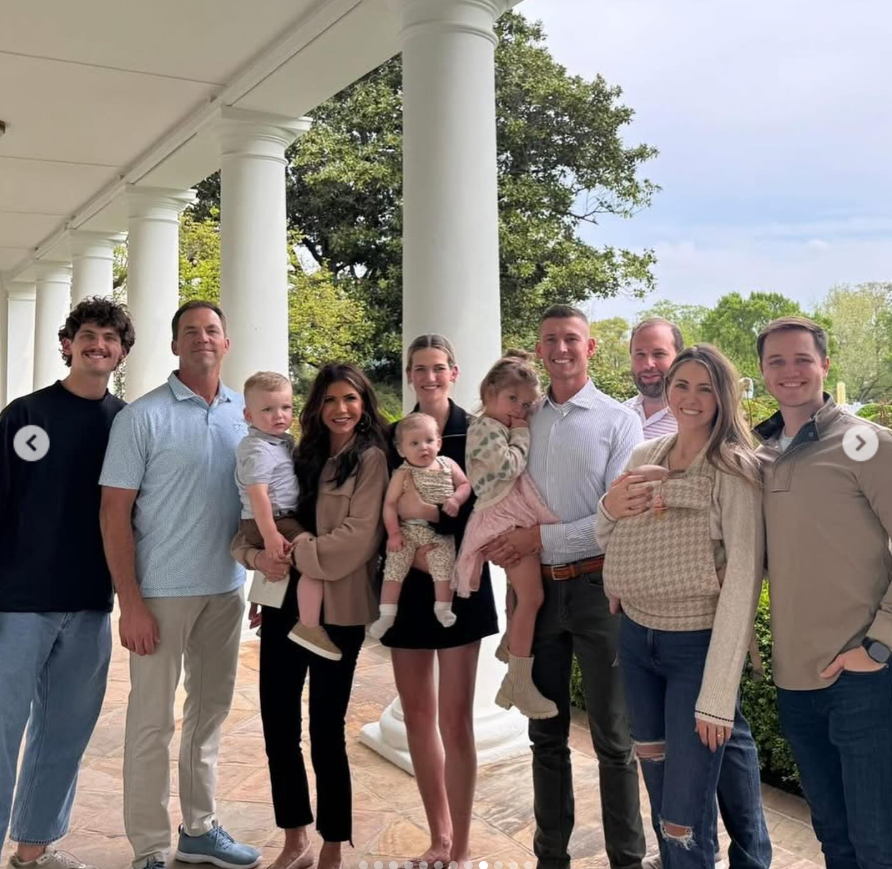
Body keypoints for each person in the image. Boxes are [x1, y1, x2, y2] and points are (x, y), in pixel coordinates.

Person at [484, 305, 647, 869]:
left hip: (600, 589)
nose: (561, 349)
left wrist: (535, 541)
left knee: (613, 740)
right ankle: (550, 857)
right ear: (539, 347)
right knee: (545, 735)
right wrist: (514, 562)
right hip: (537, 596)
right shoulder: (521, 418)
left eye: (571, 339)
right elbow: (502, 493)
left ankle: (627, 859)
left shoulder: (618, 421)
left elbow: (617, 514)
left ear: (591, 347)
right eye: (550, 339)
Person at [99, 300, 259, 869]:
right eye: (190, 331)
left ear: (227, 341)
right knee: (150, 722)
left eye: (212, 329)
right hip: (161, 594)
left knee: (208, 716)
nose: (202, 339)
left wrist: (259, 581)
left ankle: (200, 829)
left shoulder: (248, 412)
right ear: (174, 346)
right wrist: (131, 603)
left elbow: (258, 502)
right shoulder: (140, 418)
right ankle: (148, 847)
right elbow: (113, 514)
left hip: (227, 586)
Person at [599, 344, 764, 868]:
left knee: (682, 811)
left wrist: (717, 692)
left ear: (724, 396)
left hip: (696, 643)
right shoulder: (643, 456)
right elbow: (609, 534)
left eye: (705, 387)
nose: (690, 398)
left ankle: (694, 858)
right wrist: (608, 507)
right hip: (636, 634)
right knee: (659, 773)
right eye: (681, 385)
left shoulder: (734, 470)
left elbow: (741, 577)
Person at [231, 362, 389, 869]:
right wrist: (258, 561)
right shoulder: (299, 455)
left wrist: (291, 548)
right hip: (282, 603)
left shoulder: (371, 461)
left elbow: (355, 543)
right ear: (317, 407)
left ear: (363, 403)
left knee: (325, 727)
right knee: (278, 724)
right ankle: (294, 837)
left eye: (350, 398)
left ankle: (332, 844)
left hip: (338, 611)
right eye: (330, 400)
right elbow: (252, 529)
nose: (341, 409)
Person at [0, 298, 134, 869]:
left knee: (65, 732)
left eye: (109, 337)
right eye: (87, 334)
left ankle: (33, 849)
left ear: (122, 352)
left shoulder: (128, 423)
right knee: (2, 731)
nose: (97, 344)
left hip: (88, 602)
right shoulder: (25, 414)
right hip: (19, 602)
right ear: (67, 344)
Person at [754, 316, 892, 869]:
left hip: (863, 677)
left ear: (825, 365)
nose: (791, 372)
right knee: (834, 841)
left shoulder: (862, 442)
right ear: (762, 372)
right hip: (795, 682)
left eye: (803, 359)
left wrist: (878, 645)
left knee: (877, 845)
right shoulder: (757, 454)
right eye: (777, 361)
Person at [377, 334, 499, 868]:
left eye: (438, 368)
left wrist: (442, 558)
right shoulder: (392, 438)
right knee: (419, 715)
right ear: (409, 375)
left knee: (456, 720)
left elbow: (486, 510)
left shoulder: (477, 434)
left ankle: (464, 848)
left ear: (454, 371)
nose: (429, 377)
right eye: (419, 369)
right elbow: (384, 514)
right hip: (406, 588)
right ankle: (439, 838)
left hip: (462, 585)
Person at [453, 351, 558, 720]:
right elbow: (509, 466)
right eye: (512, 399)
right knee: (532, 596)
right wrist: (522, 432)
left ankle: (512, 643)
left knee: (519, 590)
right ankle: (517, 680)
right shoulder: (486, 429)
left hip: (509, 509)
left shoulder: (496, 426)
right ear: (489, 394)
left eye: (527, 404)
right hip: (503, 514)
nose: (520, 409)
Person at [232, 371, 339, 660]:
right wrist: (270, 536)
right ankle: (308, 625)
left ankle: (268, 608)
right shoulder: (257, 448)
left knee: (287, 562)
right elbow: (258, 496)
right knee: (313, 556)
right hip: (270, 521)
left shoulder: (282, 442)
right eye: (267, 409)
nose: (278, 415)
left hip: (278, 519)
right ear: (248, 415)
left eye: (286, 407)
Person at [369, 412, 471, 638]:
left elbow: (465, 484)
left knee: (444, 566)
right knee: (394, 567)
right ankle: (387, 614)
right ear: (401, 450)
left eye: (429, 441)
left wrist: (455, 499)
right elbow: (390, 505)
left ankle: (444, 608)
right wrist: (394, 534)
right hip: (408, 529)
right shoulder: (403, 473)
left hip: (439, 532)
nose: (423, 447)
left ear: (439, 442)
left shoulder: (448, 464)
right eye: (414, 443)